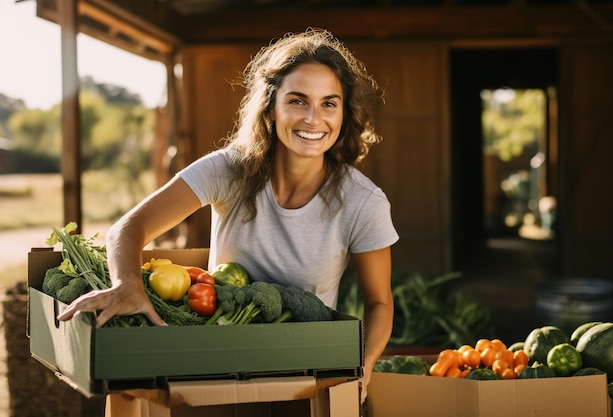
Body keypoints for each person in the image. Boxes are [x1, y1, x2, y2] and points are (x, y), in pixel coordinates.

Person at [58, 27, 398, 398]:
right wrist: (126, 284)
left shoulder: (364, 202)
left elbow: (379, 303)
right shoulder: (229, 170)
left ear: (344, 113)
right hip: (214, 359)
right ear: (270, 107)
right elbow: (130, 227)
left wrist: (362, 368)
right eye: (298, 101)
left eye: (329, 103)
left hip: (302, 369)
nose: (314, 119)